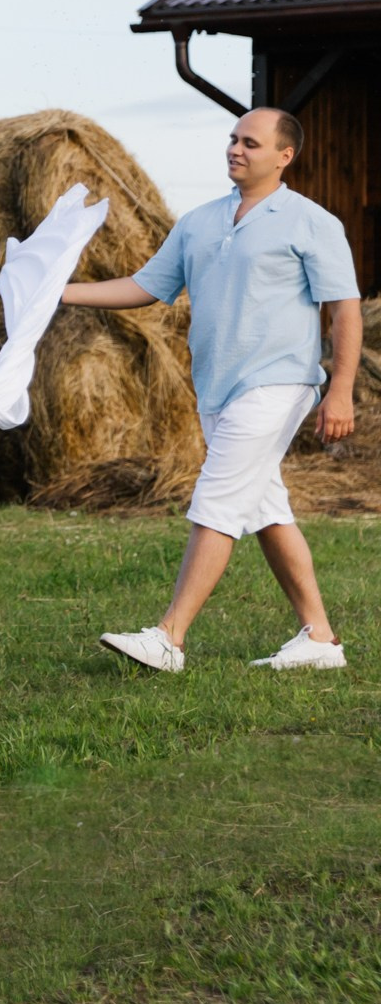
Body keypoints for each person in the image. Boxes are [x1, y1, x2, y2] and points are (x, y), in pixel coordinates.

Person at [63, 107, 359, 673]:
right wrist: (61, 292)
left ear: (284, 156)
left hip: (279, 381)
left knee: (218, 499)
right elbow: (144, 286)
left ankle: (169, 637)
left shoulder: (311, 221)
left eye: (250, 142)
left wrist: (339, 390)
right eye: (232, 139)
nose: (235, 149)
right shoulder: (198, 221)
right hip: (217, 391)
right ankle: (320, 639)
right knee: (265, 509)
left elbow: (343, 309)